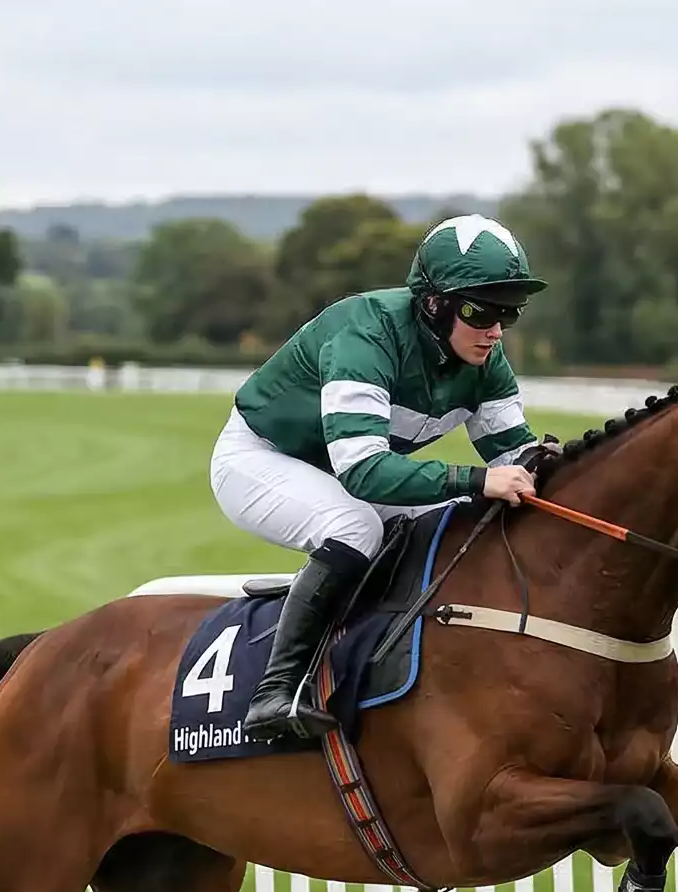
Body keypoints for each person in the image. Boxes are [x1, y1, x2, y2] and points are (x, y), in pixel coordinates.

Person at [211, 214, 555, 742]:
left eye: (509, 312)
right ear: (434, 303)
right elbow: (365, 471)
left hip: (348, 471)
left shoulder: (487, 358)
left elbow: (515, 456)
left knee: (449, 529)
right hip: (261, 459)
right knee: (354, 530)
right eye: (481, 311)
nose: (495, 329)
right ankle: (272, 696)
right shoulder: (365, 333)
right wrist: (476, 480)